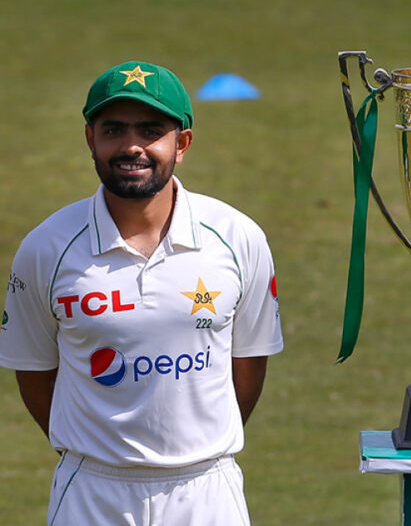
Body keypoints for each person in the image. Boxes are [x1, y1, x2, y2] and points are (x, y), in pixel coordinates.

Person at [0, 61, 284, 525]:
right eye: (114, 130)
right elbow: (34, 373)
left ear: (182, 142)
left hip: (207, 491)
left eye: (151, 130)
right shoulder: (46, 247)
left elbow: (248, 364)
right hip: (91, 492)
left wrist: (193, 449)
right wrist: (99, 451)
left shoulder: (237, 237)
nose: (132, 147)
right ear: (91, 138)